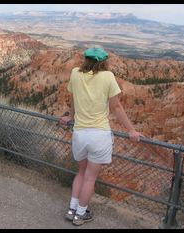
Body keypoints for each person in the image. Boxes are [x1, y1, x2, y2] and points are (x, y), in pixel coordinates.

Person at [59, 47, 142, 226]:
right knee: (90, 178)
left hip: (79, 134)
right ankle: (81, 214)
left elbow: (73, 98)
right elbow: (116, 107)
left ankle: (71, 209)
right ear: (103, 61)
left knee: (81, 173)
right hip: (99, 135)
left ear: (86, 59)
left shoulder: (75, 73)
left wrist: (71, 117)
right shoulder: (107, 77)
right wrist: (131, 130)